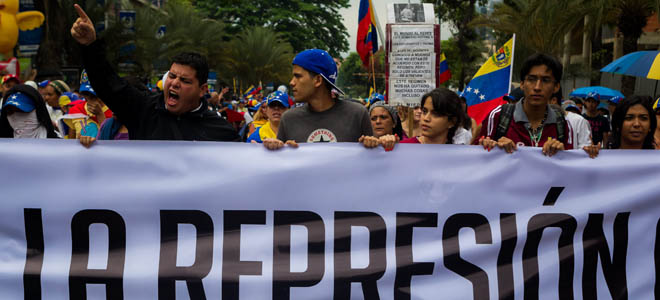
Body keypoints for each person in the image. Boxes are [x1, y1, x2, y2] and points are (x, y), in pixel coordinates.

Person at [70, 4, 238, 143]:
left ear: (202, 89)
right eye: (172, 76)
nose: (174, 83)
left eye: (185, 80)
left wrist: (263, 151)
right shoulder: (143, 110)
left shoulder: (221, 132)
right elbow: (108, 85)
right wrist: (90, 46)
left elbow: (244, 166)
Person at [263, 49, 374, 150]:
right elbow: (281, 166)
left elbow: (373, 161)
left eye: (298, 76)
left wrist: (381, 143)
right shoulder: (288, 119)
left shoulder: (357, 115)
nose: (292, 82)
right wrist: (269, 150)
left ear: (318, 80)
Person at [475, 53, 573, 157]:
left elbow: (572, 164)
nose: (537, 87)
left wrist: (563, 154)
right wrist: (490, 146)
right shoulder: (498, 117)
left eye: (545, 80)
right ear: (522, 84)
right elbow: (474, 156)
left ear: (556, 87)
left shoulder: (562, 123)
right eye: (531, 79)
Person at [400, 88, 471, 144]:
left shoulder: (459, 153)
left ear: (452, 122)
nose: (426, 118)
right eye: (424, 111)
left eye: (436, 114)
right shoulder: (405, 148)